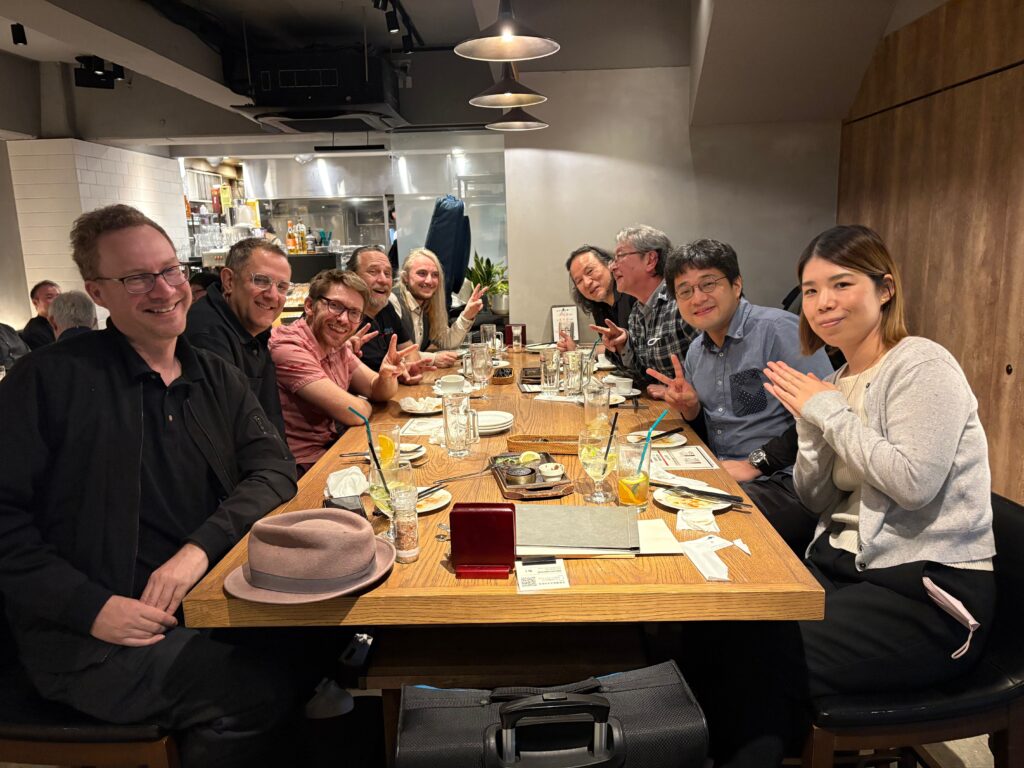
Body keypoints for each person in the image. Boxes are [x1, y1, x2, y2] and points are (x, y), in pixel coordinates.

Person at [0, 204, 301, 767]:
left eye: (171, 271)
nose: (164, 290)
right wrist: (90, 608)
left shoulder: (212, 374)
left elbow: (275, 470)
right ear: (98, 292)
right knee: (256, 691)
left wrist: (196, 550)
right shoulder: (48, 380)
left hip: (206, 597)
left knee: (333, 639)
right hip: (92, 634)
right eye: (136, 278)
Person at [690, 225, 996, 768]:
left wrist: (825, 412)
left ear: (884, 289)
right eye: (810, 290)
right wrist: (811, 428)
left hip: (926, 595)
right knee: (717, 628)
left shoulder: (921, 363)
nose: (823, 303)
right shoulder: (840, 376)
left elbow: (912, 482)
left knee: (752, 655)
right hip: (847, 573)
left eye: (841, 284)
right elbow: (814, 497)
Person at [646, 239, 833, 552]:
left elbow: (827, 413)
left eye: (708, 284)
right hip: (725, 475)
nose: (698, 298)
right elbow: (717, 427)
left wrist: (756, 462)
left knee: (695, 530)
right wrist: (691, 410)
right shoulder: (696, 351)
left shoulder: (779, 331)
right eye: (686, 291)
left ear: (736, 284)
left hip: (787, 484)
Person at [269, 268, 416, 472]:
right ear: (310, 306)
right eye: (335, 306)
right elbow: (356, 413)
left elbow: (379, 390)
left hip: (336, 450)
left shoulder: (337, 345)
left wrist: (386, 375)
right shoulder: (288, 348)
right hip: (302, 469)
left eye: (354, 312)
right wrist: (363, 402)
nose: (344, 319)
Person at [185, 238, 292, 441]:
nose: (273, 295)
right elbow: (228, 437)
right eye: (260, 280)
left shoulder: (252, 327)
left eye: (282, 287)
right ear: (229, 281)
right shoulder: (206, 337)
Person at [591, 225, 697, 395]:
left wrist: (678, 391)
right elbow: (643, 378)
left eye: (620, 256)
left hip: (702, 416)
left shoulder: (682, 301)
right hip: (668, 412)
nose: (612, 267)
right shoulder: (637, 314)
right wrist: (623, 345)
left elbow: (722, 365)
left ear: (650, 260)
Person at [393, 248, 486, 365]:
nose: (429, 280)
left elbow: (448, 342)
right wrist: (433, 358)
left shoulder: (427, 305)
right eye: (422, 273)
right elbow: (394, 353)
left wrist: (467, 314)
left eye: (435, 275)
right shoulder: (393, 301)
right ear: (405, 277)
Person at [345, 244, 421, 378]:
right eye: (373, 272)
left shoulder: (386, 307)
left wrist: (407, 368)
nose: (383, 280)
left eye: (387, 274)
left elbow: (410, 351)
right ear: (352, 277)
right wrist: (397, 371)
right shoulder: (341, 317)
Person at [558, 245, 636, 370]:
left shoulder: (632, 295)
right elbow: (612, 349)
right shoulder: (599, 307)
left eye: (590, 271)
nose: (587, 283)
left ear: (610, 265)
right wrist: (576, 351)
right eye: (579, 281)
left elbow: (644, 350)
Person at [20, 279, 61, 349]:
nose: (57, 300)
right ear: (35, 302)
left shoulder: (65, 323)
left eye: (58, 296)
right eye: (49, 297)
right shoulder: (34, 332)